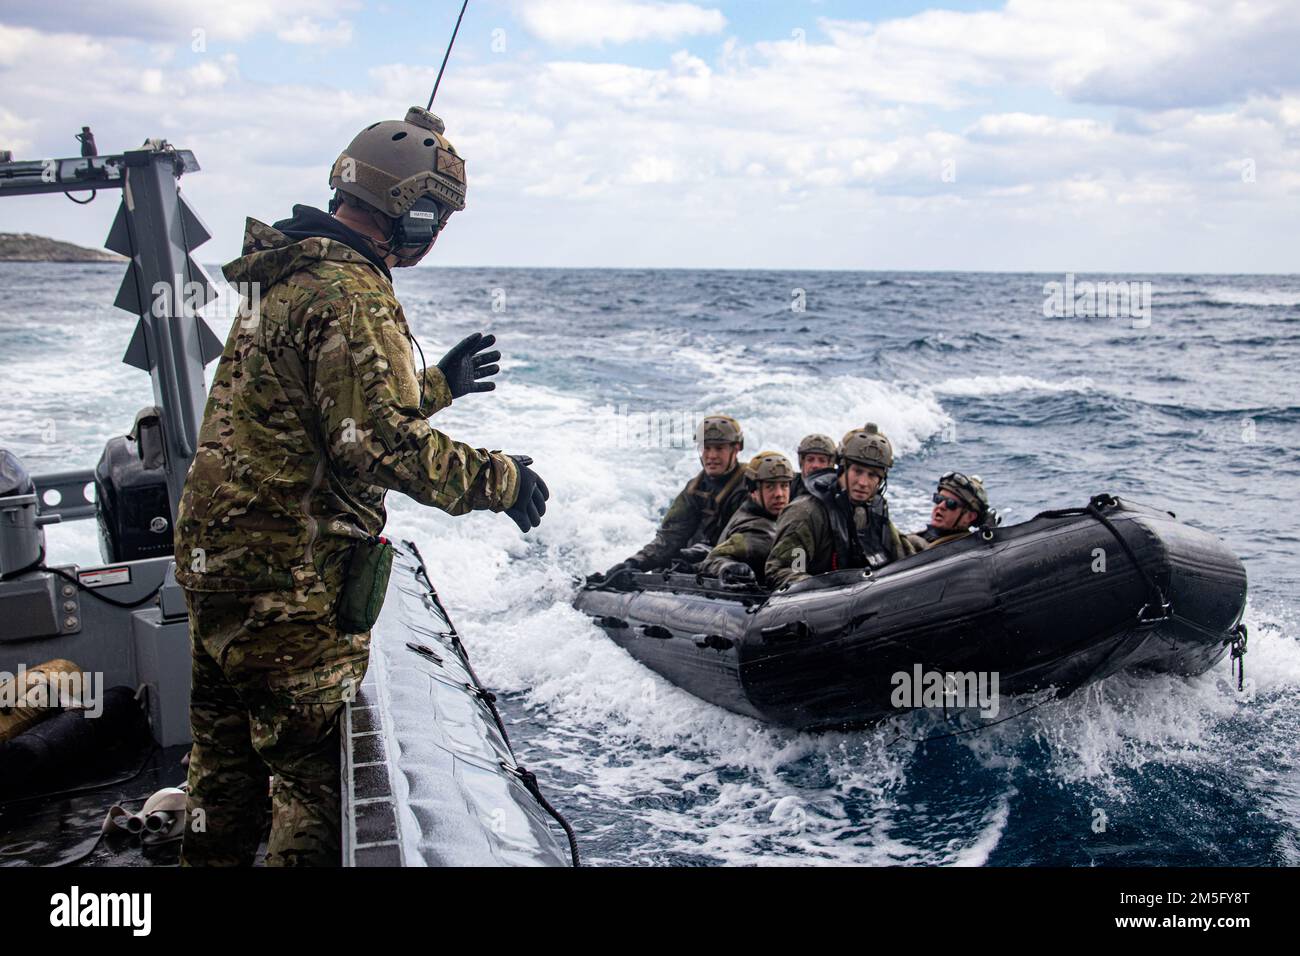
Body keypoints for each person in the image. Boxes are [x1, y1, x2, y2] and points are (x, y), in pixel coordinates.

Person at [171, 106, 550, 867]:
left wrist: (435, 384)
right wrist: (503, 480)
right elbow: (379, 448)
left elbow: (313, 414)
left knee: (221, 785)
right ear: (408, 211)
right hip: (290, 589)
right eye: (432, 213)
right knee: (311, 793)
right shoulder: (352, 294)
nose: (434, 232)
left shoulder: (284, 274)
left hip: (220, 576)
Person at [765, 423, 915, 588]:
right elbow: (785, 569)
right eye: (857, 472)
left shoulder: (874, 510)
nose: (863, 483)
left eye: (872, 475)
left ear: (881, 480)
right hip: (821, 604)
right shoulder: (807, 513)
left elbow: (902, 554)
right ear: (842, 468)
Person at [604, 415, 747, 575]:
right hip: (703, 560)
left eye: (719, 448)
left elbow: (754, 539)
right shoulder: (694, 488)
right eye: (706, 448)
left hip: (738, 563)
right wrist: (635, 563)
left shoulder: (754, 486)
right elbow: (670, 537)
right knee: (666, 564)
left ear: (736, 449)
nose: (711, 456)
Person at [700, 450, 794, 585]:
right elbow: (713, 560)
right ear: (753, 491)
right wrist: (727, 567)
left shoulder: (779, 516)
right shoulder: (751, 531)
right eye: (770, 487)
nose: (779, 494)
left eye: (784, 486)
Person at [904, 472, 993, 551]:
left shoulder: (966, 550)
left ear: (969, 517)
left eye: (951, 503)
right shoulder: (918, 538)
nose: (941, 506)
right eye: (939, 499)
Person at [790, 433, 836, 499]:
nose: (815, 465)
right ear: (802, 462)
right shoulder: (788, 486)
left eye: (822, 460)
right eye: (810, 459)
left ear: (830, 464)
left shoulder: (837, 491)